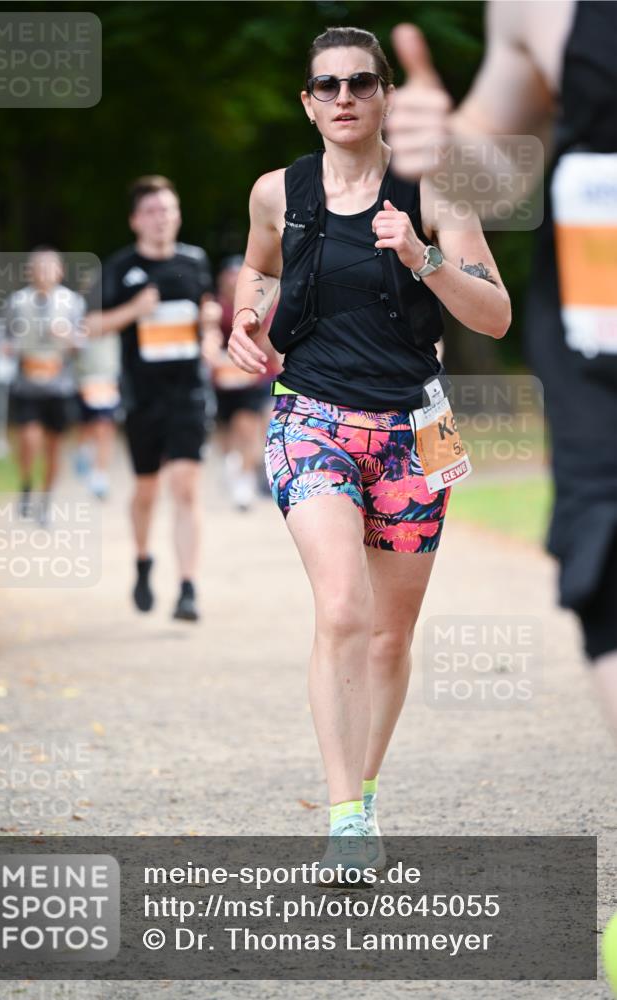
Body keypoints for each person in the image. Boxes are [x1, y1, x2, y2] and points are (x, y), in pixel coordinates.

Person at [228, 26, 510, 876]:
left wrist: (422, 258)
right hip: (308, 414)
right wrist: (245, 319)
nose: (344, 97)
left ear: (384, 93)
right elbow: (259, 272)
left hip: (414, 431)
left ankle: (366, 790)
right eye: (327, 85)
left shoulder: (432, 189)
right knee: (343, 608)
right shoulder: (277, 192)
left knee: (389, 636)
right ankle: (343, 815)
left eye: (360, 82)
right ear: (308, 102)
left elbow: (493, 315)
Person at [384, 4, 617, 734]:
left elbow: (488, 309)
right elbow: (494, 170)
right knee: (605, 563)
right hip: (599, 329)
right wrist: (446, 146)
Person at [85, 176, 221, 621]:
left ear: (178, 214)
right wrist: (132, 311)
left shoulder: (195, 261)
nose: (161, 218)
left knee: (185, 487)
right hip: (142, 397)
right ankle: (143, 562)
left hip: (188, 393)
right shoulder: (120, 267)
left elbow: (206, 318)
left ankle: (188, 587)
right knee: (147, 491)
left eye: (168, 209)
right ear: (134, 220)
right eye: (151, 211)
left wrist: (209, 326)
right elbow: (91, 326)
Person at [0, 248, 84, 519]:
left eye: (50, 267)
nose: (44, 272)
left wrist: (68, 337)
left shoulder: (72, 303)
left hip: (58, 386)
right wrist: (9, 348)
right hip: (27, 384)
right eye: (39, 267)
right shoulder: (16, 301)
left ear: (60, 271)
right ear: (29, 271)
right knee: (28, 439)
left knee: (53, 447)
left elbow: (83, 343)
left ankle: (46, 500)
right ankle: (26, 484)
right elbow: (3, 335)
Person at [210, 255, 277, 511]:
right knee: (227, 433)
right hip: (223, 381)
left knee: (248, 427)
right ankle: (232, 467)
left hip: (254, 377)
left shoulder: (261, 306)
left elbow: (269, 343)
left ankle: (245, 485)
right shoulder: (215, 307)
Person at [73, 326, 121, 500]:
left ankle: (100, 475)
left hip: (108, 379)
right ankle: (82, 453)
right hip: (84, 378)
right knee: (87, 426)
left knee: (104, 426)